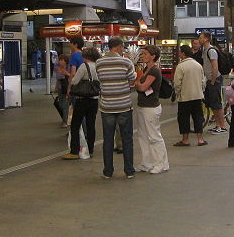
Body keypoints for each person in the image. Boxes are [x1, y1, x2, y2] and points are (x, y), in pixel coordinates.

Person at [96, 36, 137, 179]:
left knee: (108, 139)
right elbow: (132, 79)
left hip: (106, 107)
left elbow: (99, 79)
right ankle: (129, 170)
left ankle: (108, 172)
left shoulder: (99, 63)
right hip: (124, 105)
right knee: (127, 139)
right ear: (119, 47)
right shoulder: (126, 62)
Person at [133, 45, 169, 174]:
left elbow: (142, 87)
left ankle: (160, 164)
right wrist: (138, 84)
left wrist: (137, 84)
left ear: (153, 56)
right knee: (142, 136)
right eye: (142, 54)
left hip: (151, 107)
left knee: (154, 137)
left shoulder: (154, 70)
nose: (143, 56)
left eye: (145, 54)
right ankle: (146, 163)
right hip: (142, 105)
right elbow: (138, 83)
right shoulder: (146, 69)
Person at [63, 46, 100, 159]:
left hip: (82, 99)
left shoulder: (84, 66)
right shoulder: (98, 66)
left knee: (75, 125)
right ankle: (90, 149)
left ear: (85, 56)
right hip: (94, 99)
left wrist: (69, 76)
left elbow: (75, 81)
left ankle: (74, 151)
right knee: (90, 125)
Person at [173, 45, 207, 147]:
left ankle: (185, 140)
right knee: (198, 117)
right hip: (197, 96)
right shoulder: (198, 65)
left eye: (180, 52)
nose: (179, 54)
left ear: (183, 53)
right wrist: (201, 91)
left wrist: (178, 93)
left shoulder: (181, 66)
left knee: (184, 118)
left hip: (184, 97)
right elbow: (203, 82)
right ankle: (200, 139)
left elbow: (177, 83)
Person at [200, 32, 227, 134]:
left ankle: (222, 126)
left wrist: (213, 80)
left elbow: (215, 67)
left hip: (215, 80)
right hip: (210, 80)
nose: (199, 39)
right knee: (212, 104)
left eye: (201, 37)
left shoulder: (211, 51)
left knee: (217, 104)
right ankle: (217, 125)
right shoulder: (204, 51)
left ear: (206, 39)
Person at [54, 54, 70, 128]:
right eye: (59, 60)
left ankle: (65, 121)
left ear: (65, 61)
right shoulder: (57, 68)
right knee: (60, 104)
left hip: (67, 88)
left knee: (65, 105)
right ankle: (65, 118)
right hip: (61, 88)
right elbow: (58, 80)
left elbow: (72, 76)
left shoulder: (69, 68)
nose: (60, 62)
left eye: (62, 60)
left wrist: (65, 73)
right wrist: (56, 88)